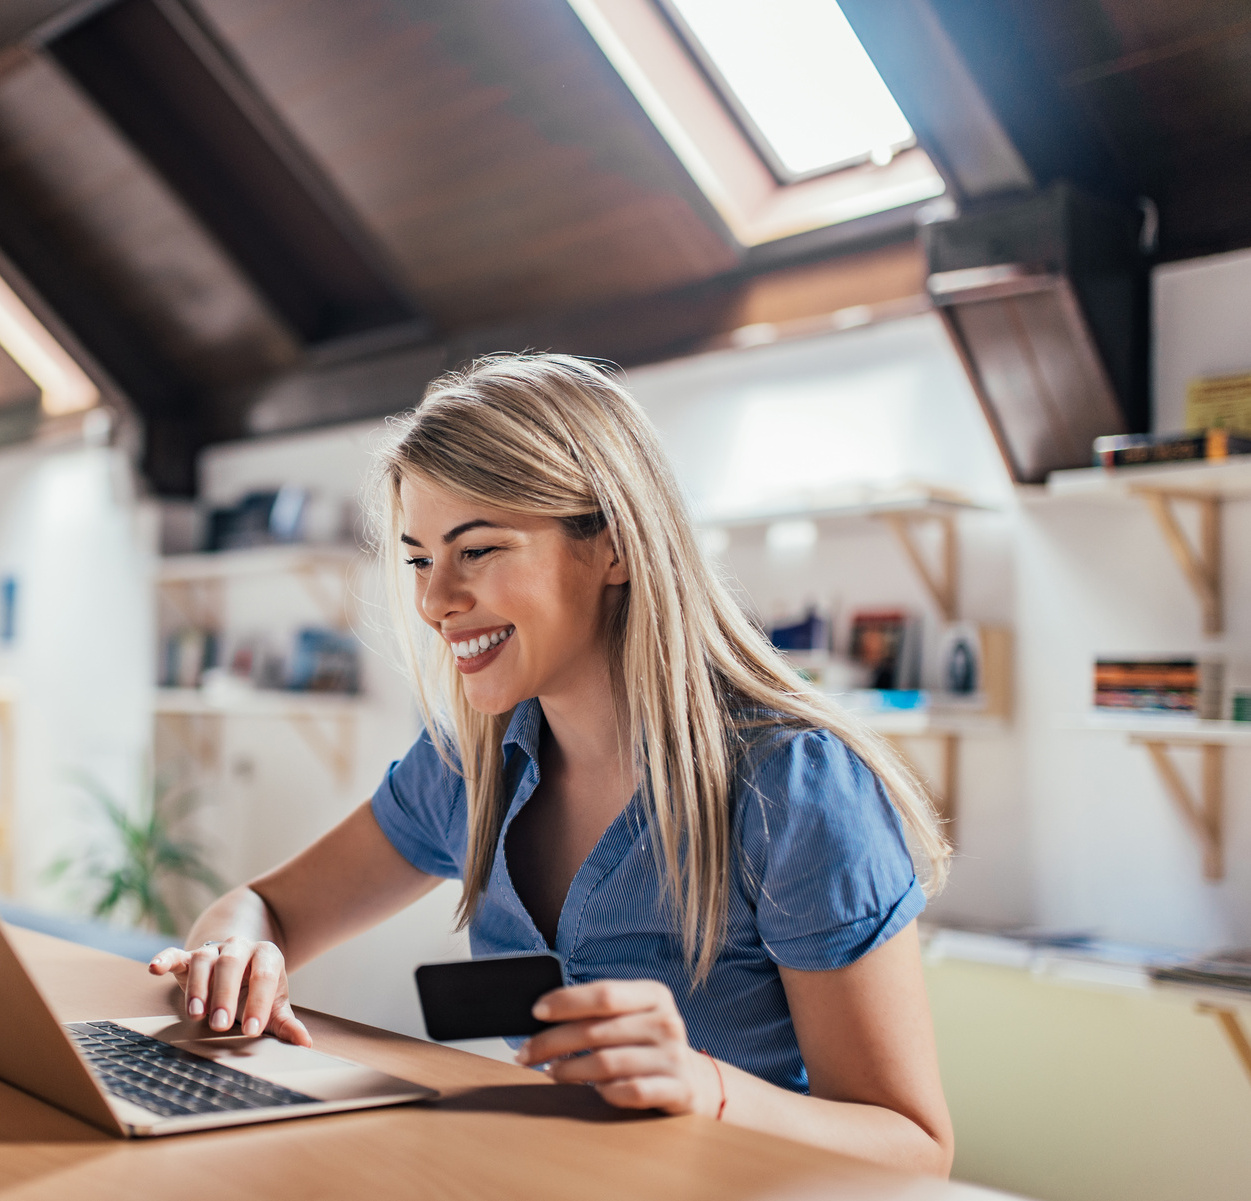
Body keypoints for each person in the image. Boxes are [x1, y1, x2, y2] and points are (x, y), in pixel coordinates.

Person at [150, 354, 954, 1175]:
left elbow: (913, 1146)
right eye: (421, 559)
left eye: (479, 550)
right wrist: (234, 953)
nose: (434, 603)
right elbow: (261, 907)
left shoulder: (794, 788)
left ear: (612, 547)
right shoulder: (467, 765)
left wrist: (699, 1085)